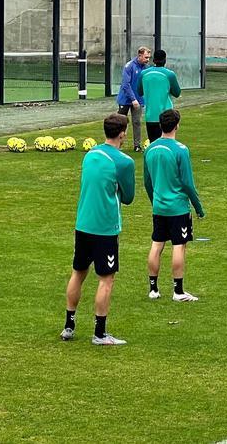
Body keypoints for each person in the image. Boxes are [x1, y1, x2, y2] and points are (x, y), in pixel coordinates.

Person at [63, 113, 136, 345]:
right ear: (123, 133)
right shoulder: (124, 162)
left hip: (83, 224)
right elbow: (129, 197)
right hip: (105, 228)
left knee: (78, 272)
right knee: (106, 279)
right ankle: (100, 333)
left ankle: (69, 326)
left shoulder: (90, 155)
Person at [143, 109, 205, 302]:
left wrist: (155, 201)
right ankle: (178, 292)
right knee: (179, 246)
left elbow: (147, 182)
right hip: (178, 208)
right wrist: (198, 207)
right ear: (177, 125)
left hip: (159, 207)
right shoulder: (181, 150)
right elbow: (187, 183)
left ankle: (153, 289)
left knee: (157, 245)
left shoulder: (150, 149)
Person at [138, 49, 181, 144]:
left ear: (153, 60)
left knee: (153, 144)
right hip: (167, 115)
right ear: (165, 60)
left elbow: (139, 92)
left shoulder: (144, 74)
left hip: (150, 115)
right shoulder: (169, 74)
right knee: (167, 143)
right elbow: (177, 93)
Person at [116, 46, 151, 151]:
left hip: (139, 99)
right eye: (146, 57)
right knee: (121, 123)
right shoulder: (129, 66)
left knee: (137, 122)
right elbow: (126, 84)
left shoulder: (146, 68)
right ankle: (116, 144)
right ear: (139, 55)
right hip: (125, 99)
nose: (148, 59)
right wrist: (133, 99)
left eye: (149, 57)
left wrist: (141, 99)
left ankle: (137, 146)